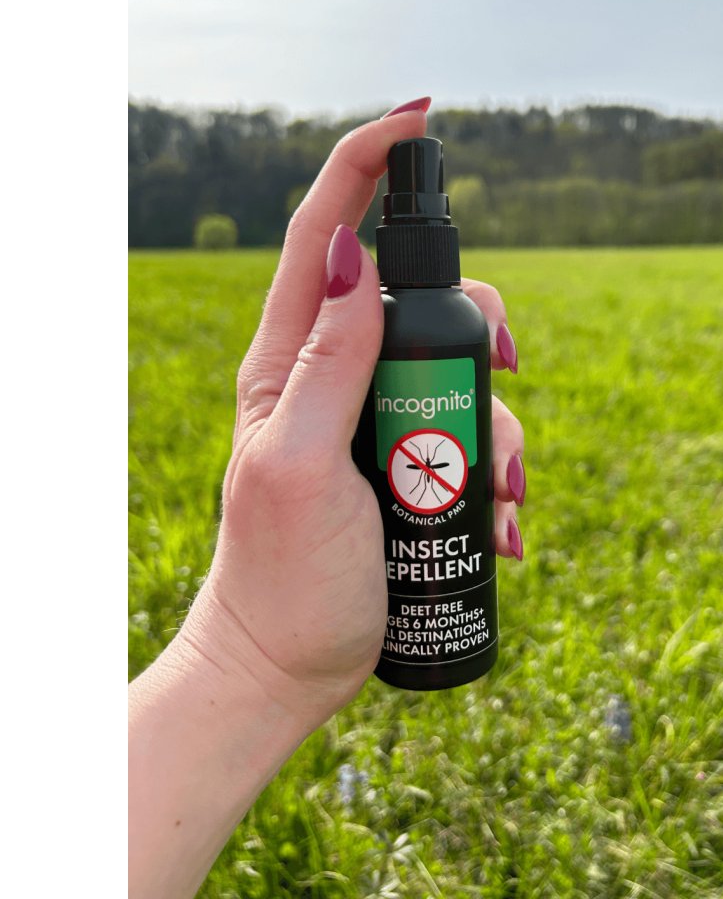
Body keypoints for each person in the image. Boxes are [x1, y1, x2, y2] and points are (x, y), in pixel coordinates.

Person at [128, 98, 527, 899]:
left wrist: (257, 660)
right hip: (376, 620)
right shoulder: (385, 326)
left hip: (449, 603)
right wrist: (257, 649)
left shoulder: (453, 319)